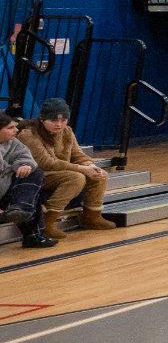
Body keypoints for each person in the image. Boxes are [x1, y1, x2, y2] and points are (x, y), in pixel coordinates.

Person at [20, 99, 113, 239]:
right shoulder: (29, 134)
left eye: (63, 120)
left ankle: (91, 217)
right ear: (42, 119)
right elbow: (46, 162)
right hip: (36, 174)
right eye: (53, 120)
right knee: (76, 177)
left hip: (61, 171)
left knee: (101, 174)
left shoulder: (67, 131)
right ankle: (47, 222)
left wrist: (90, 165)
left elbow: (77, 154)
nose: (59, 124)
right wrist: (81, 169)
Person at [0, 114, 53, 248]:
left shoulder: (13, 142)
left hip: (4, 192)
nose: (16, 130)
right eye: (10, 128)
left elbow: (27, 158)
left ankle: (21, 208)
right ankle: (34, 237)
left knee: (34, 174)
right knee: (31, 196)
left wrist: (24, 164)